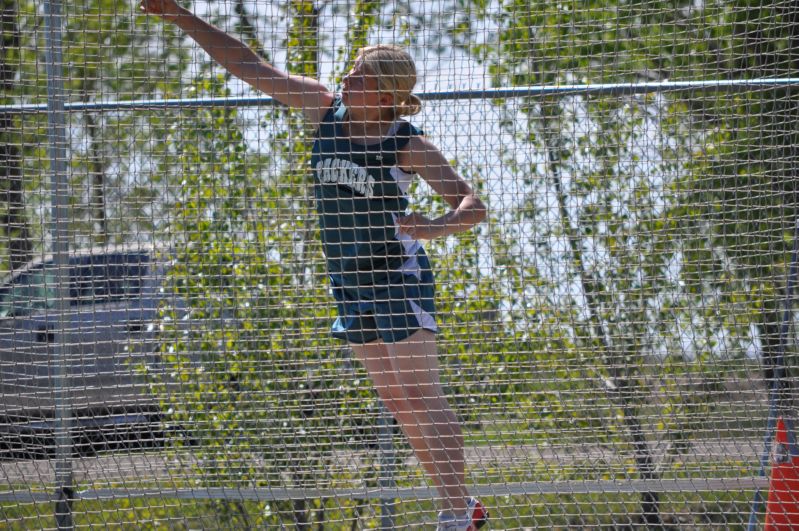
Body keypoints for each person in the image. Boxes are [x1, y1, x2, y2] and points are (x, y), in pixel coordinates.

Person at [140, 1, 488, 528]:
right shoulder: (323, 108)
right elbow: (251, 68)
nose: (347, 77)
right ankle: (461, 508)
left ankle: (456, 510)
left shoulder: (405, 144)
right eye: (351, 68)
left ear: (387, 95)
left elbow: (471, 204)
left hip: (396, 275)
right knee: (398, 402)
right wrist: (183, 17)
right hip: (349, 282)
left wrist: (437, 226)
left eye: (361, 74)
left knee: (421, 394)